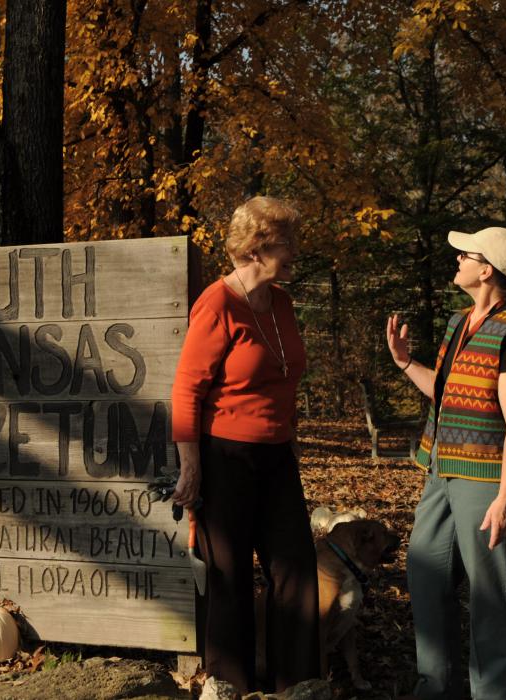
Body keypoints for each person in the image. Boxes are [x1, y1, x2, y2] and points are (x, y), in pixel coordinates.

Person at [386, 226, 506, 700]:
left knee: (491, 595)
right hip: (442, 471)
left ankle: (492, 694)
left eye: (466, 254)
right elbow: (447, 393)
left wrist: (505, 498)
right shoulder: (460, 323)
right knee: (425, 571)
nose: (455, 258)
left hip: (488, 482)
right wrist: (404, 362)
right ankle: (435, 687)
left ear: (487, 270)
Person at [170, 196, 318, 693]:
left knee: (295, 571)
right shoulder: (217, 303)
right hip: (224, 456)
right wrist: (191, 467)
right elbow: (187, 389)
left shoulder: (281, 302)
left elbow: (284, 378)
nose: (294, 251)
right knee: (228, 579)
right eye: (286, 242)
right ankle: (228, 685)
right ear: (257, 247)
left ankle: (295, 684)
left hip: (277, 456)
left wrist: (290, 438)